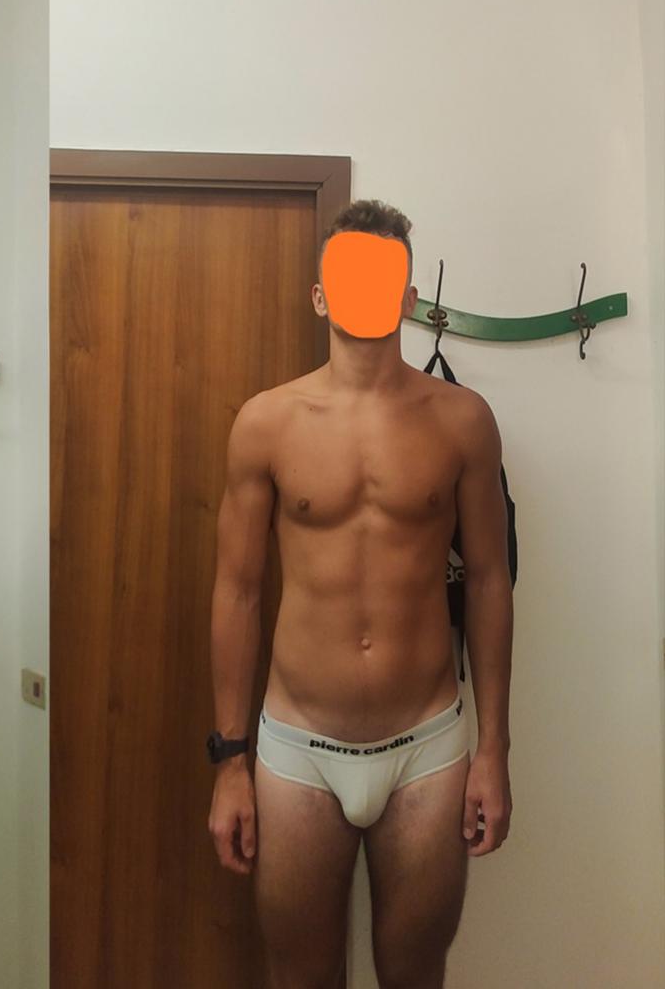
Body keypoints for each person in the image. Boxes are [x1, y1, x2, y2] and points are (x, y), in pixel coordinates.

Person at [207, 200, 513, 989]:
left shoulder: (463, 421)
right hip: (297, 748)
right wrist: (229, 762)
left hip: (427, 746)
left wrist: (493, 751)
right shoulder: (267, 423)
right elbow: (237, 592)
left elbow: (489, 580)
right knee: (300, 976)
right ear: (320, 296)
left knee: (415, 973)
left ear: (408, 297)